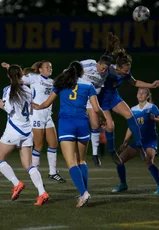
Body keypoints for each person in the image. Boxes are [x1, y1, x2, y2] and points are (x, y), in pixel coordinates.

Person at [32, 61, 107, 208]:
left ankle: (84, 193)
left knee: (71, 163)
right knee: (82, 161)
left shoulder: (61, 83)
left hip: (67, 125)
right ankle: (83, 191)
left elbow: (47, 103)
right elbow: (96, 108)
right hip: (82, 124)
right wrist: (103, 119)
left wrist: (37, 106)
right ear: (82, 72)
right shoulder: (88, 85)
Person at [93, 32, 159, 166]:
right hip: (102, 102)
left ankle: (140, 146)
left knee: (130, 115)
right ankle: (113, 152)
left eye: (128, 70)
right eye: (125, 70)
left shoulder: (125, 72)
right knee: (110, 126)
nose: (127, 73)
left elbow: (134, 82)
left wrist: (151, 85)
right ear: (118, 68)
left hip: (113, 97)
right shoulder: (108, 71)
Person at [1, 61, 66, 183]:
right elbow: (17, 78)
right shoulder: (33, 78)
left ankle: (53, 172)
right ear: (40, 70)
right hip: (36, 115)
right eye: (47, 67)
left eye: (51, 67)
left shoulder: (52, 82)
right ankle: (35, 173)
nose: (49, 69)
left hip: (47, 115)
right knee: (39, 145)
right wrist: (10, 68)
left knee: (53, 143)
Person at [0, 64, 49, 205]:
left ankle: (16, 183)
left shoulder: (8, 90)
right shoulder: (28, 89)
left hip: (13, 130)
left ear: (8, 76)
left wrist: (1, 105)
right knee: (29, 165)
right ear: (21, 74)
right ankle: (42, 192)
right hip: (26, 131)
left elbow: (8, 108)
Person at [112, 88, 159, 194]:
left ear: (147, 96)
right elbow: (131, 127)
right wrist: (125, 141)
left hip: (150, 141)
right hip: (138, 142)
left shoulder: (152, 107)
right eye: (139, 92)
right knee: (119, 161)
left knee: (149, 161)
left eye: (143, 93)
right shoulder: (133, 109)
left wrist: (154, 119)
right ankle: (123, 184)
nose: (140, 94)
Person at [79, 55, 112, 167]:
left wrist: (94, 94)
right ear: (98, 63)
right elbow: (73, 68)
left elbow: (98, 86)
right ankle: (76, 153)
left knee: (95, 125)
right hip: (78, 97)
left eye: (106, 69)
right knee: (78, 126)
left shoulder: (105, 74)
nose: (103, 70)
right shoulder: (89, 63)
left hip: (90, 99)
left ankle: (94, 154)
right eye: (102, 67)